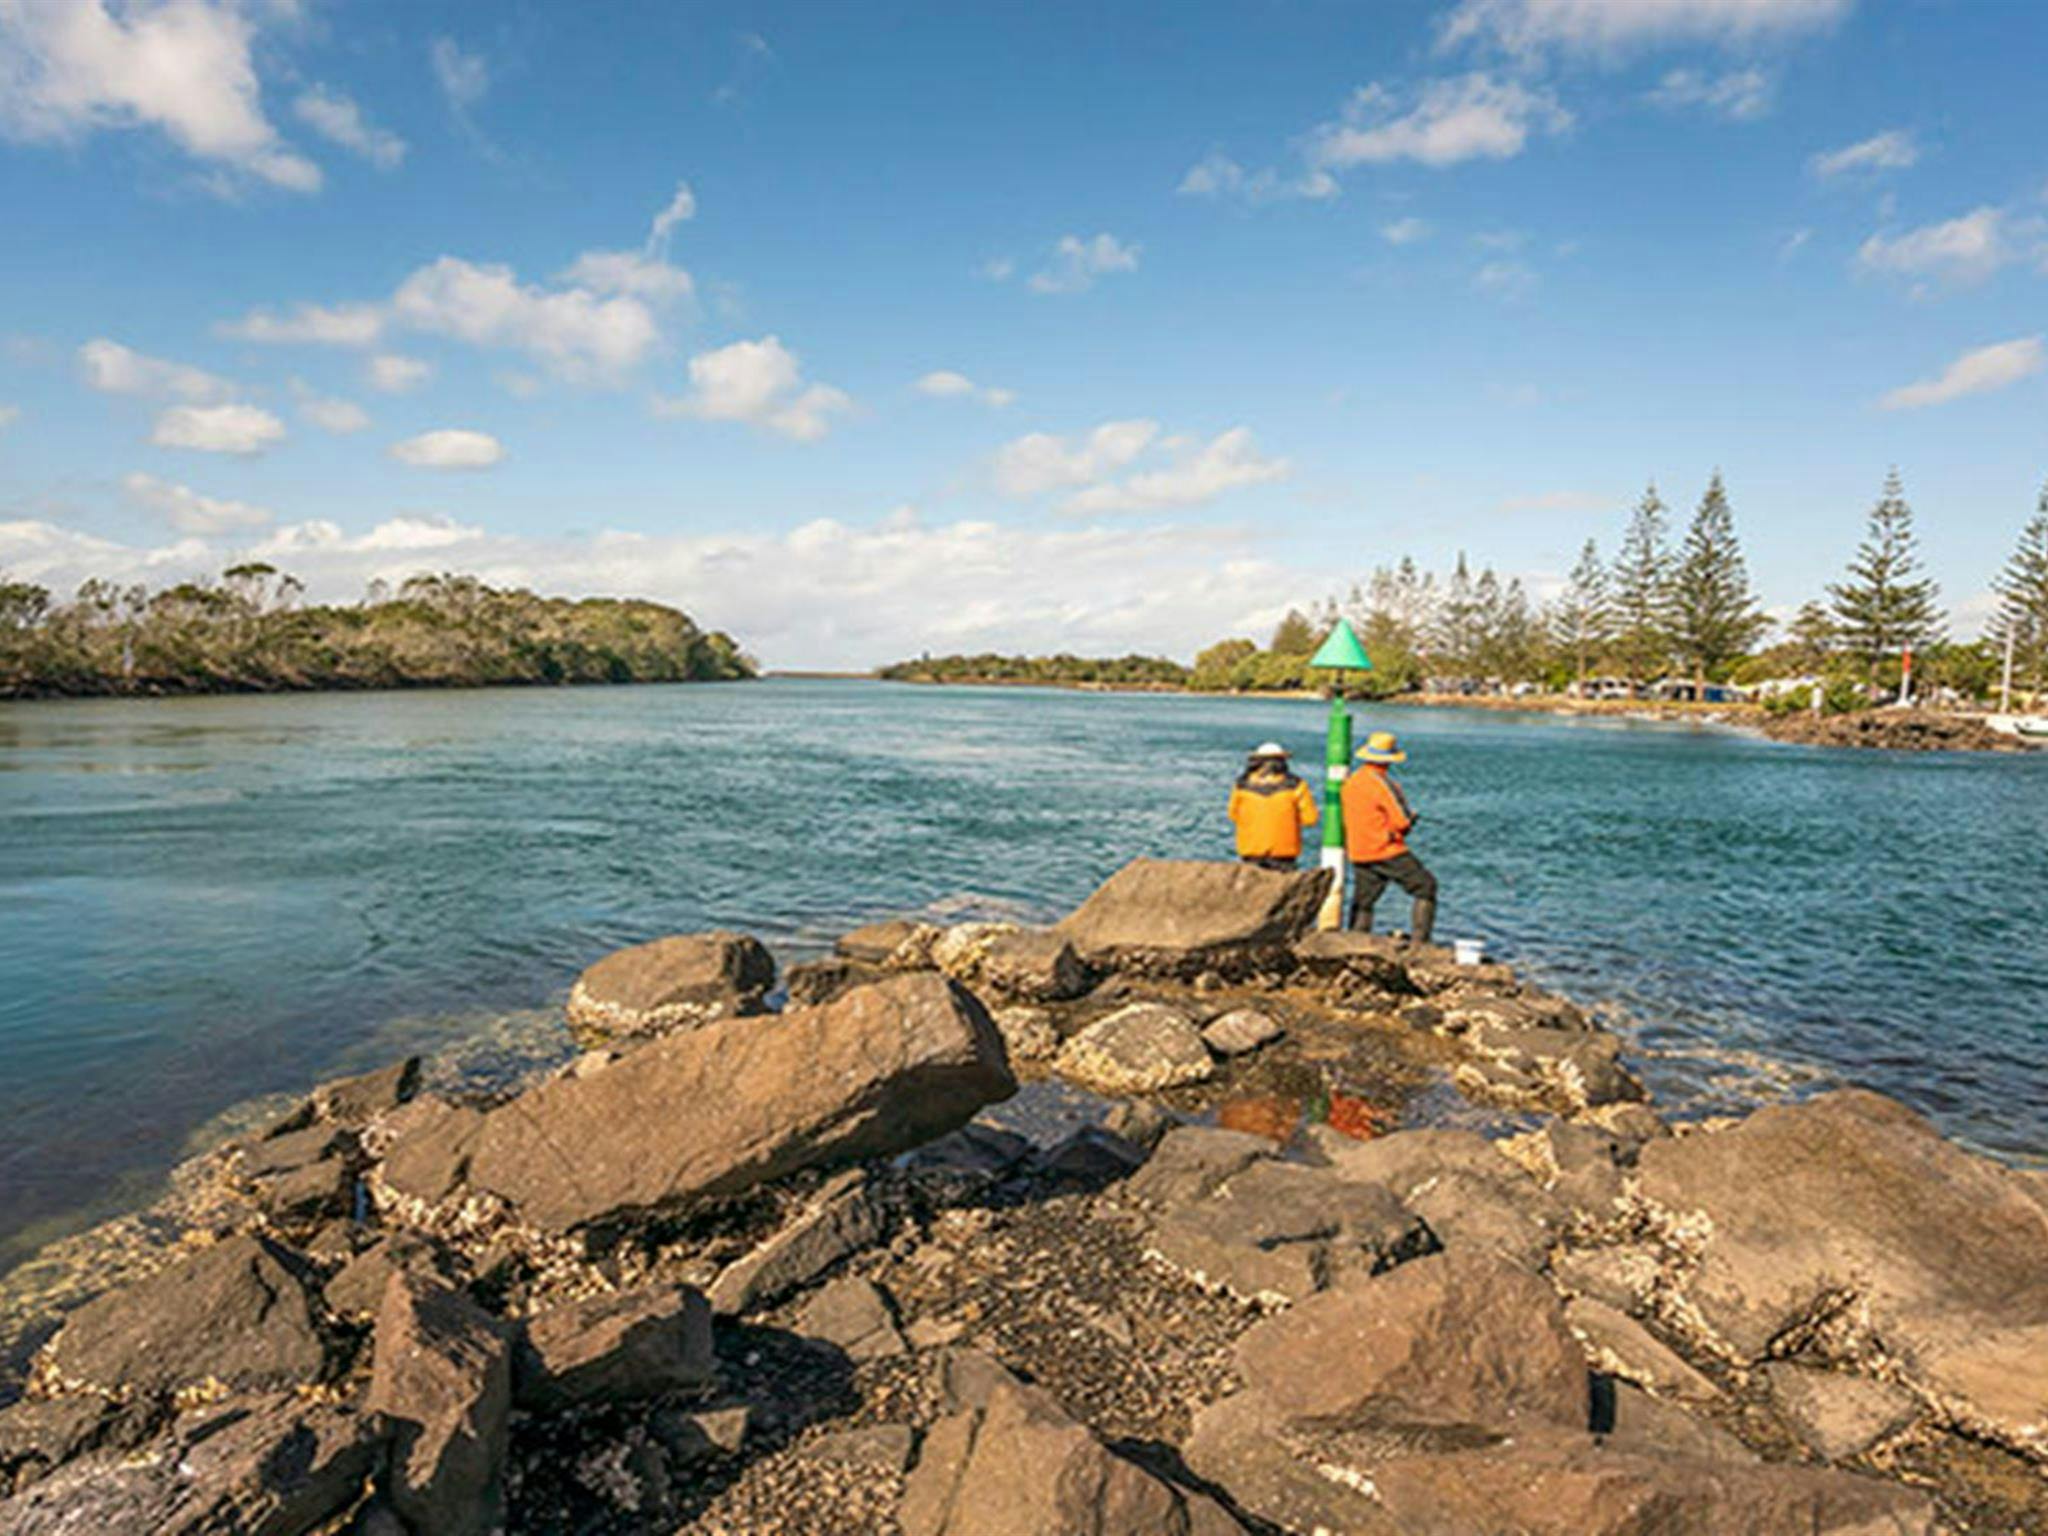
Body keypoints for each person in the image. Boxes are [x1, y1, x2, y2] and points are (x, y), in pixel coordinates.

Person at [1340, 730, 1436, 942]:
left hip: (1359, 850)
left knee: (1364, 900)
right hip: (1386, 849)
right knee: (1426, 886)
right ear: (1389, 760)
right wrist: (1410, 820)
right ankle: (1421, 942)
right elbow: (1401, 821)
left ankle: (1354, 940)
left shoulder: (1351, 782)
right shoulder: (1384, 784)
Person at [1227, 742, 1318, 871]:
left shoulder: (1241, 785)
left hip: (1251, 851)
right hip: (1284, 853)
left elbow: (1233, 814)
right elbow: (1310, 819)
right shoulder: (1296, 785)